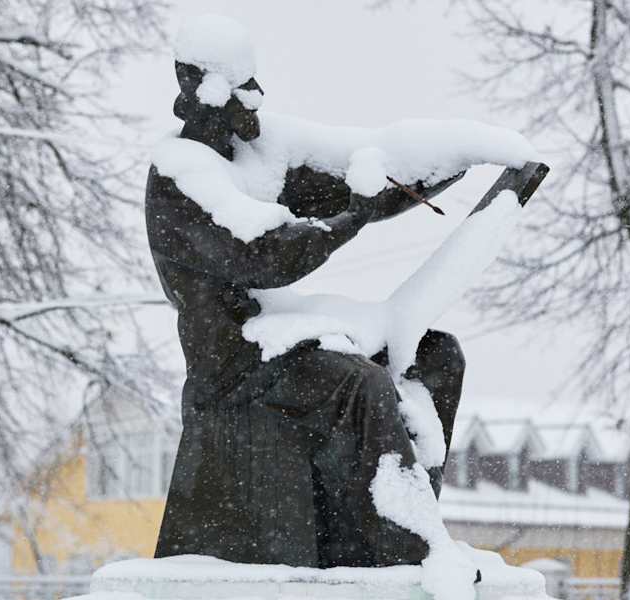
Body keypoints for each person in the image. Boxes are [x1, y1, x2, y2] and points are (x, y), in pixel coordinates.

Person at [146, 18, 467, 569]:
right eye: (244, 88)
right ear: (209, 93)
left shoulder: (257, 150)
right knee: (360, 384)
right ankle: (407, 554)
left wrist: (457, 160)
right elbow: (266, 255)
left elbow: (357, 175)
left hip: (287, 334)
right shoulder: (180, 176)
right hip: (236, 359)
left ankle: (397, 530)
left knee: (437, 356)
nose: (257, 98)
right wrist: (353, 218)